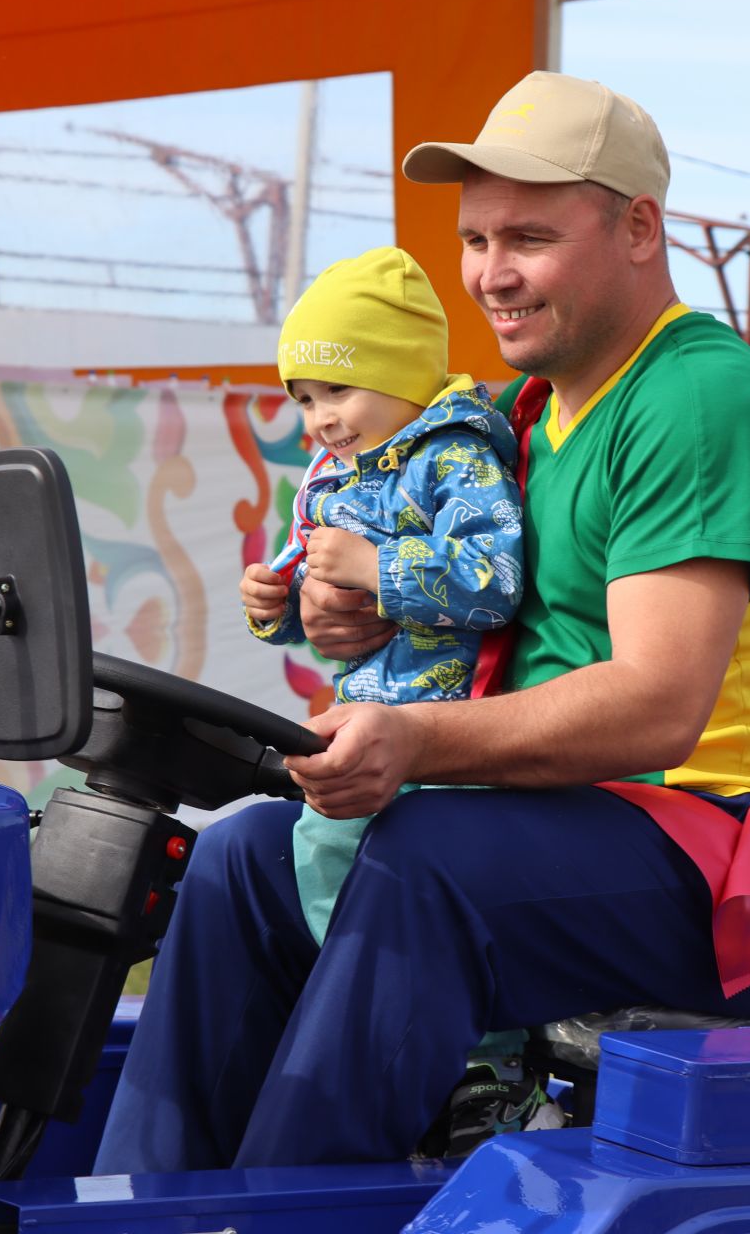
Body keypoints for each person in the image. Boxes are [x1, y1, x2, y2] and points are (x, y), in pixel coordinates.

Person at [94, 71, 750, 1174]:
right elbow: (454, 601)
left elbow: (656, 705)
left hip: (729, 861)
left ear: (639, 227)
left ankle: (280, 1205)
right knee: (243, 856)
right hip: (548, 816)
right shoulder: (517, 417)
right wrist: (347, 612)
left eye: (529, 236)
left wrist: (414, 738)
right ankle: (139, 1198)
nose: (492, 273)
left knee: (420, 860)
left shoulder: (695, 397)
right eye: (476, 237)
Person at [237, 247, 537, 1151]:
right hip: (368, 724)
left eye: (338, 393)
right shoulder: (330, 480)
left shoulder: (457, 459)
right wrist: (277, 607)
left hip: (452, 730)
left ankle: (487, 1062)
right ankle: (381, 1030)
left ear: (403, 376)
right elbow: (315, 600)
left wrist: (376, 566)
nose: (320, 421)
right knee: (315, 854)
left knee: (425, 888)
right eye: (303, 400)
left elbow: (495, 581)